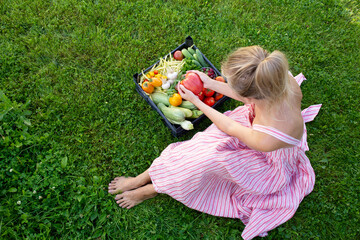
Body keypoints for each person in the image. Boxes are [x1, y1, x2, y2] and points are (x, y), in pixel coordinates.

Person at [108, 46, 321, 240]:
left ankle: (152, 188)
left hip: (265, 158)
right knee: (195, 149)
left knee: (201, 163)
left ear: (253, 95)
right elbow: (246, 98)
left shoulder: (269, 136)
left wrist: (197, 101)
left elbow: (229, 128)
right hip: (253, 129)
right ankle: (142, 178)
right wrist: (210, 84)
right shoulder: (280, 81)